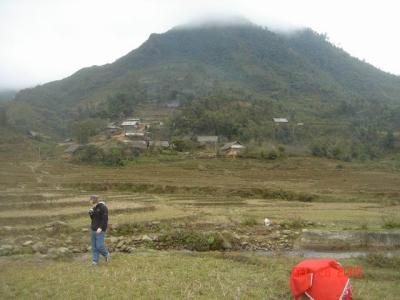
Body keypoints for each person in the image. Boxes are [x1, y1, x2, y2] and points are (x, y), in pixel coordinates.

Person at [89, 195, 110, 265]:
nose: (90, 201)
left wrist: (100, 227)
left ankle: (106, 254)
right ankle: (95, 261)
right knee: (94, 247)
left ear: (94, 200)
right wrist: (91, 214)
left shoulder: (103, 207)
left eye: (91, 199)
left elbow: (105, 219)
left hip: (100, 230)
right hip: (93, 229)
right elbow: (94, 219)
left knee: (99, 246)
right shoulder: (94, 208)